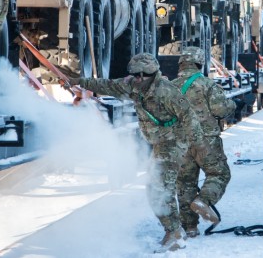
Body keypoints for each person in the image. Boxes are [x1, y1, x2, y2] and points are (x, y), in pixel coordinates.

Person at [66, 53, 205, 252]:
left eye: (141, 76)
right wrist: (79, 82)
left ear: (151, 74)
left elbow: (190, 119)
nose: (137, 79)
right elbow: (108, 85)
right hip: (159, 142)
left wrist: (199, 149)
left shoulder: (167, 92)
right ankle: (175, 229)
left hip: (174, 142)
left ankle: (175, 232)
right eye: (135, 75)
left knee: (159, 187)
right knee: (154, 188)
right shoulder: (133, 84)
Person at [172, 47, 235, 237]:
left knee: (184, 184)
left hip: (180, 142)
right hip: (205, 141)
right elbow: (220, 110)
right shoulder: (207, 85)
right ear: (200, 64)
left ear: (181, 64)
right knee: (219, 174)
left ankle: (190, 227)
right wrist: (231, 104)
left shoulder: (170, 87)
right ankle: (204, 201)